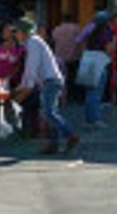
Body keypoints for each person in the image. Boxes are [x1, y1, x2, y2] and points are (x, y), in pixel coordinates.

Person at [14, 17, 79, 155]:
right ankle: (53, 144)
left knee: (48, 112)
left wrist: (27, 86)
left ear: (24, 32)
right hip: (49, 80)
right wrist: (23, 85)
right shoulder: (32, 42)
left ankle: (70, 135)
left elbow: (32, 66)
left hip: (50, 80)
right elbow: (29, 68)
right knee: (50, 112)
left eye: (17, 31)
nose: (16, 35)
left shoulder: (33, 42)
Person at [78, 10, 115, 128]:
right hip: (100, 61)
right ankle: (95, 119)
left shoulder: (90, 30)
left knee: (89, 93)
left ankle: (89, 119)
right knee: (97, 93)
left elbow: (80, 42)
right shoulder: (106, 32)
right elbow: (109, 49)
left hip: (88, 60)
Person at [50, 18, 83, 90]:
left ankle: (64, 95)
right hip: (74, 57)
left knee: (62, 77)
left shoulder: (56, 29)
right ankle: (73, 95)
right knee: (73, 77)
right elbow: (81, 40)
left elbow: (53, 41)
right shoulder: (76, 28)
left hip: (60, 57)